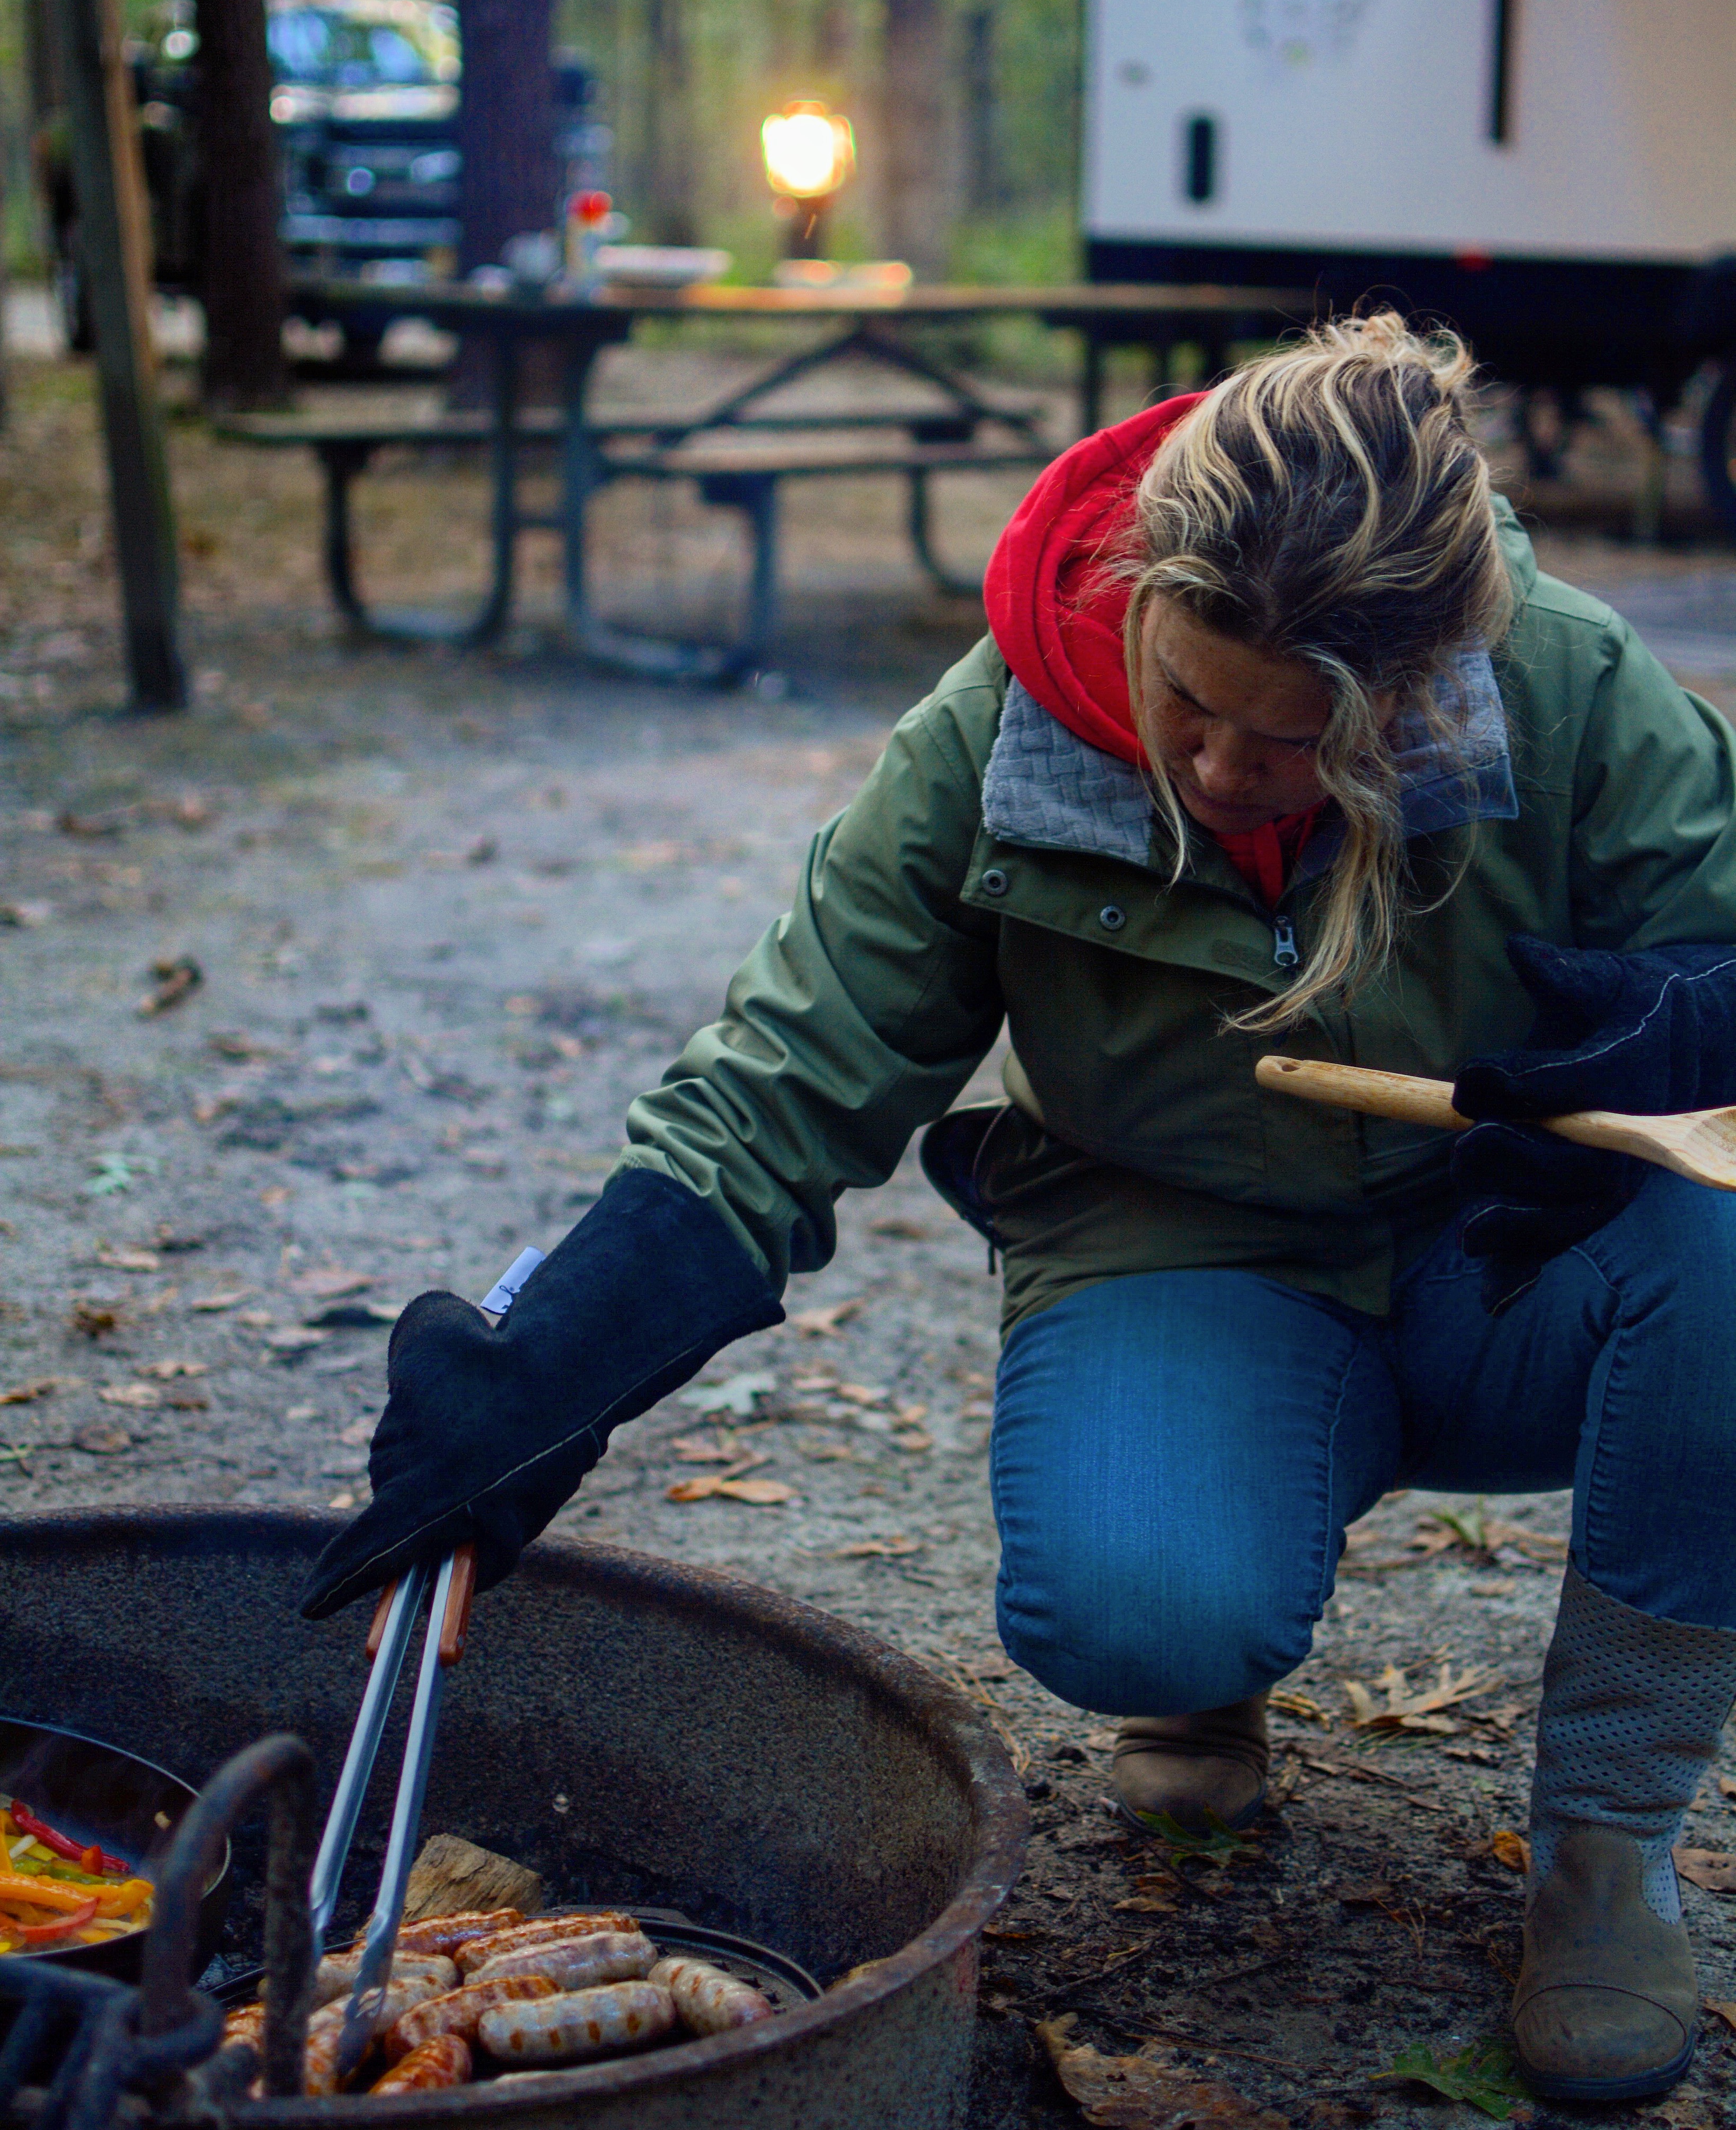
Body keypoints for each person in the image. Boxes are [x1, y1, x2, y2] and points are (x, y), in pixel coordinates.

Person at [304, 314, 1736, 2103]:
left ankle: (1605, 1838)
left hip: (1504, 1261)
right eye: (1189, 701)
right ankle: (1204, 1649)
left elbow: (1723, 962)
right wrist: (547, 1372)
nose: (1218, 772)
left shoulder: (1569, 689)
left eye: (1291, 747)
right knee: (1131, 1602)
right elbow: (776, 1092)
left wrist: (1677, 1037)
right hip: (1184, 1246)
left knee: (1728, 1237)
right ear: (1138, 583)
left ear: (1420, 678)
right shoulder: (992, 737)